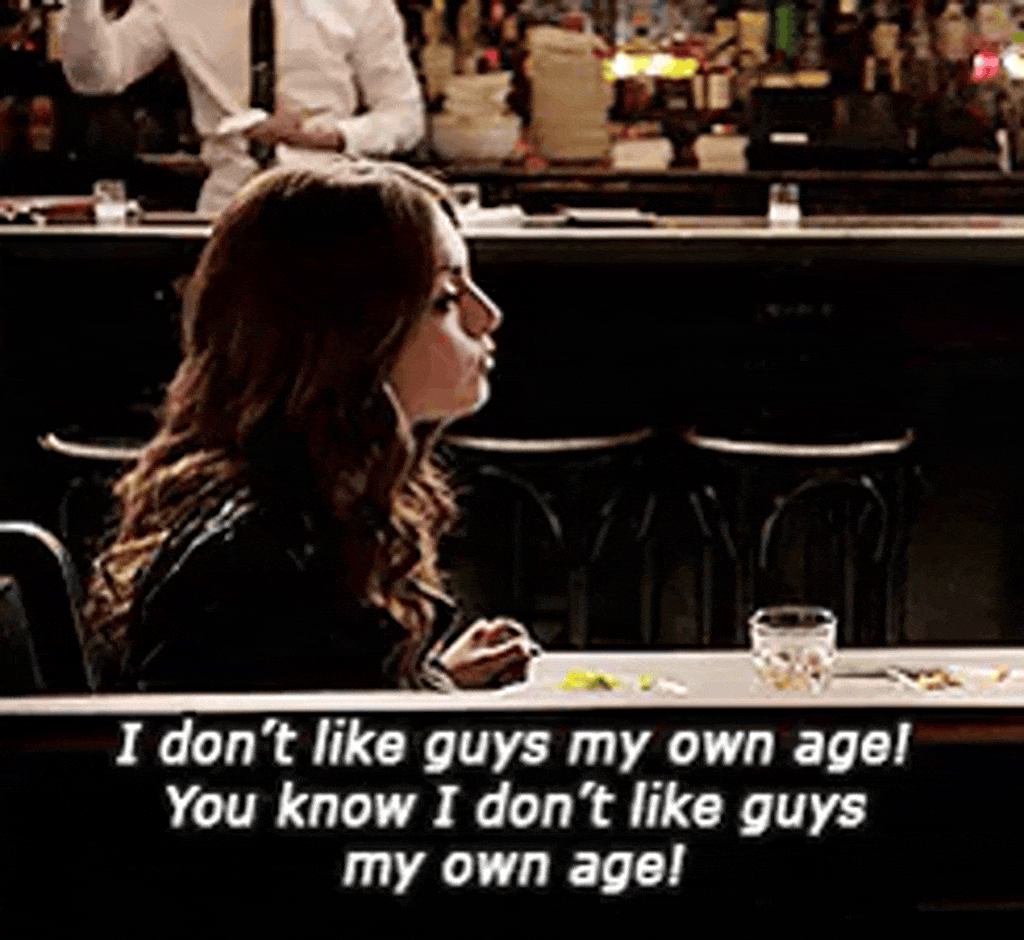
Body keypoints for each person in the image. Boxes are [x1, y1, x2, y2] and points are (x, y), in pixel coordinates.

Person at [81, 158, 537, 693]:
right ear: (345, 332)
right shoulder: (280, 559)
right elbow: (332, 740)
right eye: (445, 300)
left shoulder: (308, 499)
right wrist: (426, 702)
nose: (488, 316)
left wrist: (429, 683)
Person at [61, 0, 426, 214]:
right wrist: (82, 5)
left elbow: (405, 116)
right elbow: (95, 78)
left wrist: (330, 136)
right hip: (227, 207)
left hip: (331, 201)